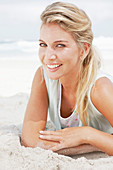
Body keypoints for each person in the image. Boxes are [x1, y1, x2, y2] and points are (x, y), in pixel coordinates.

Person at [21, 2, 113, 156]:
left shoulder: (100, 88)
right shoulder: (43, 76)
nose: (49, 56)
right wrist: (92, 146)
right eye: (43, 44)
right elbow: (30, 140)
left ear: (83, 49)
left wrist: (87, 135)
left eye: (60, 45)